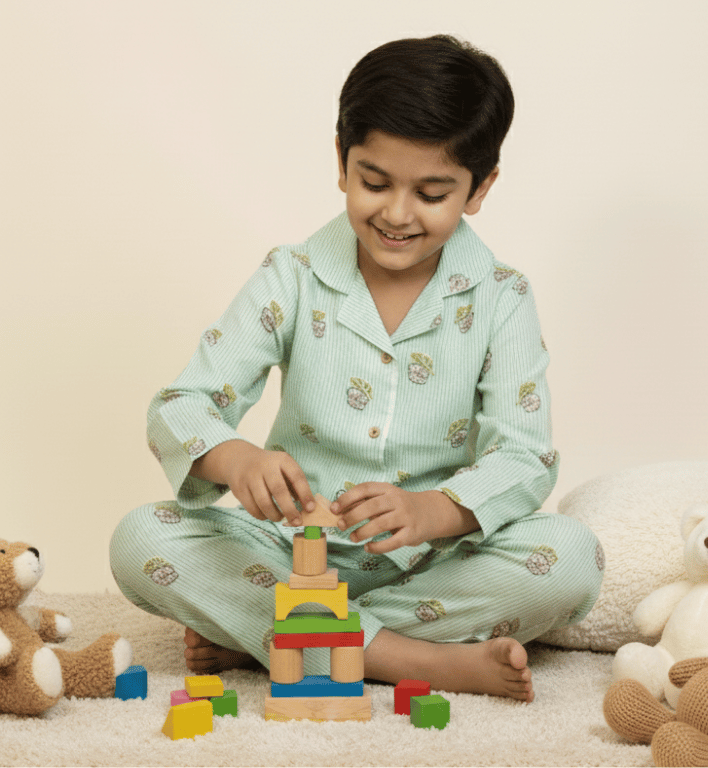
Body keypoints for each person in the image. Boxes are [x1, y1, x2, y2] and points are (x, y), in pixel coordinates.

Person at [110, 35, 603, 702]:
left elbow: (525, 455)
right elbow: (181, 404)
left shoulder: (502, 296)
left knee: (571, 557)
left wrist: (433, 510)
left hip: (432, 565)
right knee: (140, 539)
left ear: (480, 187)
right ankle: (403, 657)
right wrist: (237, 460)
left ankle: (277, 638)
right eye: (375, 183)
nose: (397, 214)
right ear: (341, 162)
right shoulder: (292, 275)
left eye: (431, 193)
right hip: (289, 552)